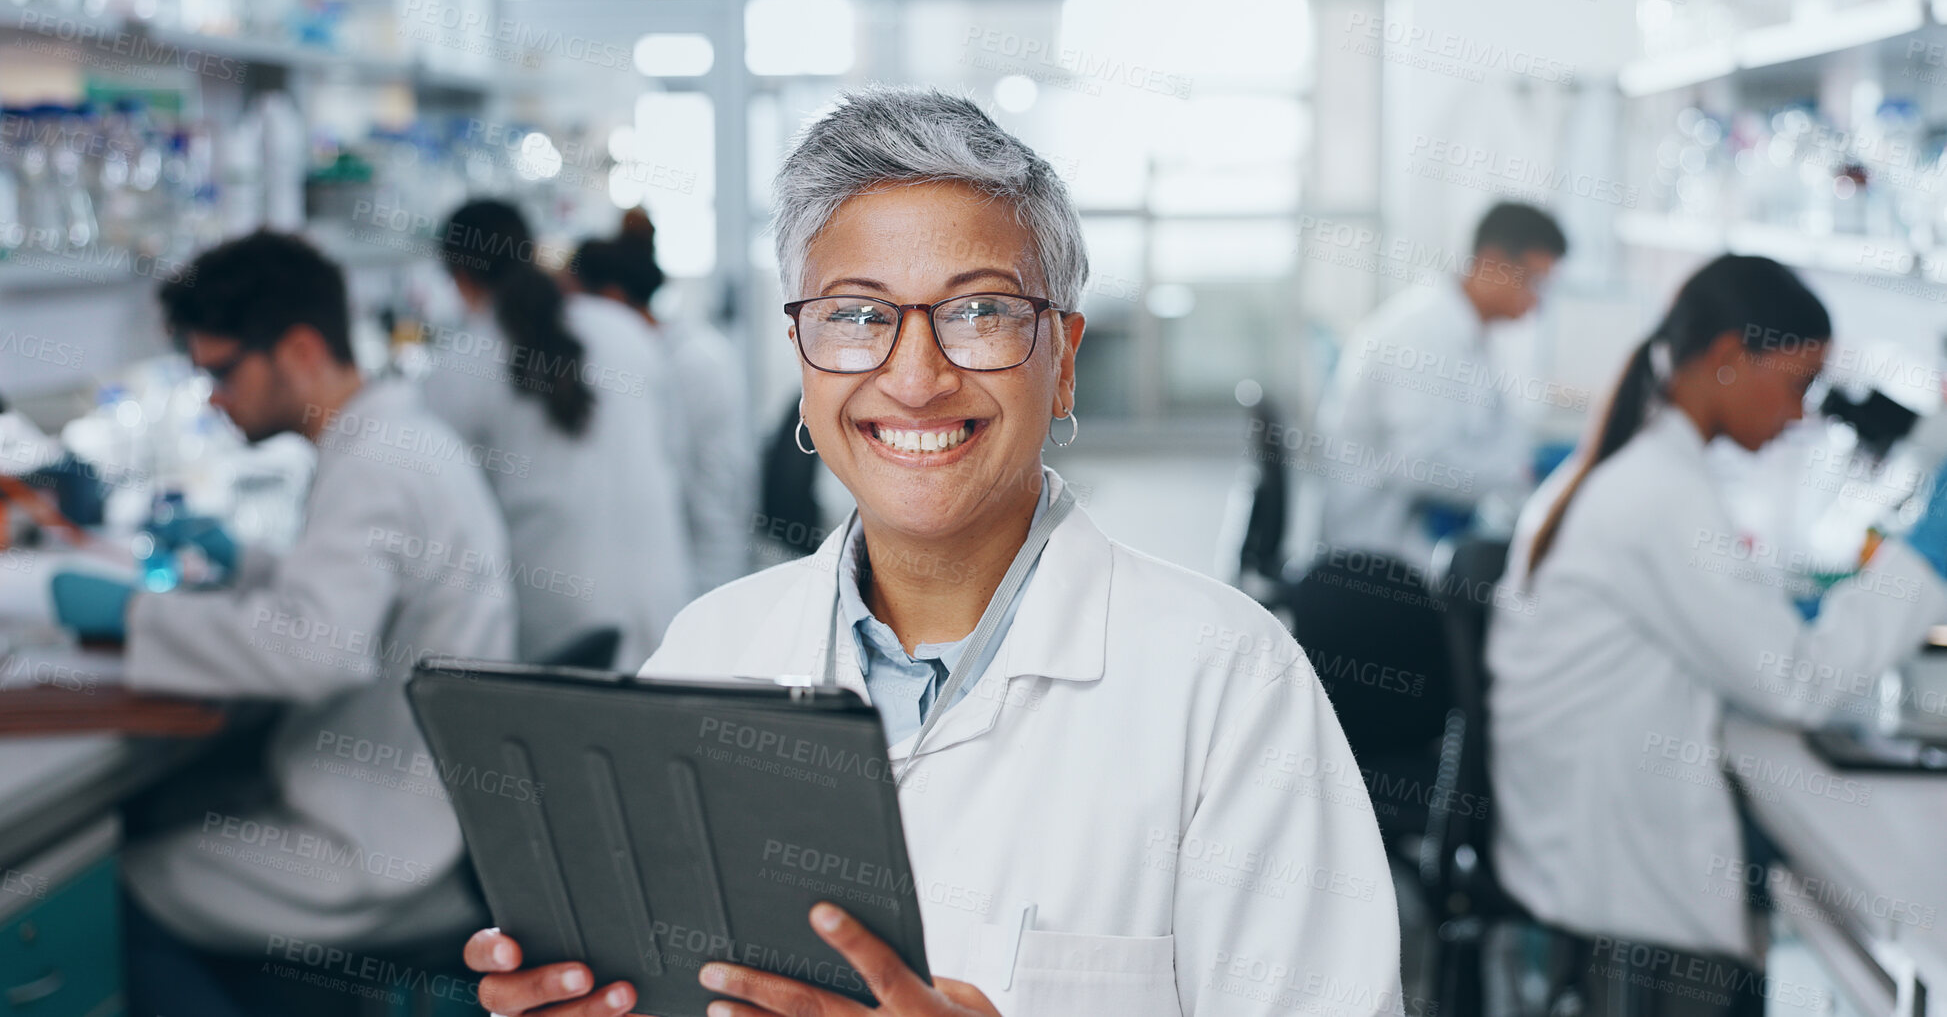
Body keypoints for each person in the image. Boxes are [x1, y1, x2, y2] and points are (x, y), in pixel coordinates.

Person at [461, 87, 1401, 1017]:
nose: (914, 378)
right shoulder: (709, 652)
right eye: (858, 316)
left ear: (1062, 358)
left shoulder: (1230, 682)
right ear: (800, 356)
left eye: (980, 312)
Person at [46, 231, 516, 1015]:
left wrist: (134, 612)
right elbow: (359, 602)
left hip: (386, 847)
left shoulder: (376, 464)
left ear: (297, 349)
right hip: (427, 816)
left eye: (222, 370)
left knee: (114, 886)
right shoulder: (394, 437)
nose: (212, 398)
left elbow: (316, 654)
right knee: (172, 815)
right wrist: (250, 564)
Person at [1487, 255, 1947, 1013]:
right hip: (1617, 869)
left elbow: (1732, 625)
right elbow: (1795, 683)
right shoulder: (1658, 494)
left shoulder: (1637, 462)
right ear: (1730, 358)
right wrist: (1922, 554)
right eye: (1795, 383)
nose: (1800, 414)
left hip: (1574, 837)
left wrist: (1789, 612)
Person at [424, 199, 693, 668]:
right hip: (663, 600)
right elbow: (671, 458)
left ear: (459, 278)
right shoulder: (625, 331)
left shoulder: (458, 369)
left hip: (556, 623)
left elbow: (448, 521)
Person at [1312, 201, 1568, 565]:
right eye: (1534, 281)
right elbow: (1418, 466)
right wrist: (1520, 473)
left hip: (1423, 528)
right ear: (1493, 263)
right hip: (1382, 550)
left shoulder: (1470, 333)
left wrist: (1524, 463)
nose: (1538, 302)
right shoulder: (1423, 337)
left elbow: (1491, 430)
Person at [577, 210, 759, 595]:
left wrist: (712, 603)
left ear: (610, 298)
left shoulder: (694, 363)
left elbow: (716, 500)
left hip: (706, 577)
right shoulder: (642, 360)